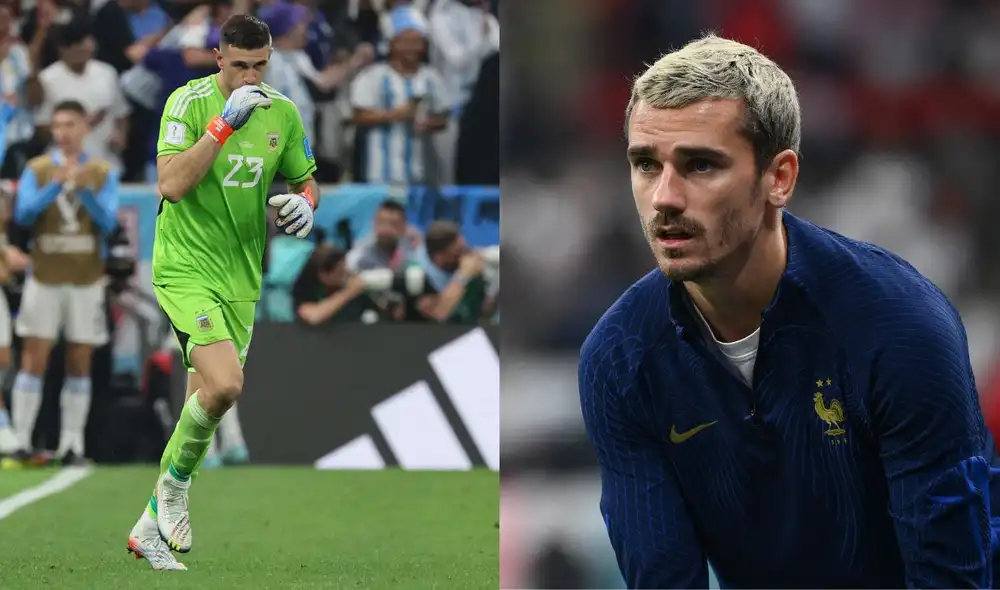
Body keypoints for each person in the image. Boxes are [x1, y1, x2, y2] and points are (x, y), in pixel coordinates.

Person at [578, 34, 1000, 589]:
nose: (665, 198)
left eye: (700, 165)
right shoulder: (620, 359)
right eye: (646, 164)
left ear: (779, 178)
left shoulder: (901, 327)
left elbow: (952, 578)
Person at [124, 14, 318, 571]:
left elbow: (304, 178)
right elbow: (171, 185)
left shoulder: (282, 112)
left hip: (241, 276)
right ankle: (174, 491)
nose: (250, 77)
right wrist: (223, 126)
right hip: (185, 268)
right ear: (218, 58)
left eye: (260, 66)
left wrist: (306, 204)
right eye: (239, 66)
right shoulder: (188, 104)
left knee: (205, 403)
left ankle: (148, 528)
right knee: (227, 384)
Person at [7, 100, 118, 468]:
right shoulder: (38, 169)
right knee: (33, 356)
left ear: (85, 127)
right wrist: (55, 186)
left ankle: (72, 445)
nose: (63, 132)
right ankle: (22, 441)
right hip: (45, 275)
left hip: (86, 278)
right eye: (57, 126)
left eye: (70, 124)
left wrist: (84, 191)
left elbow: (109, 222)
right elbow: (23, 215)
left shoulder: (102, 171)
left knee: (80, 359)